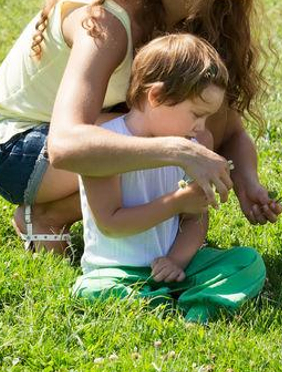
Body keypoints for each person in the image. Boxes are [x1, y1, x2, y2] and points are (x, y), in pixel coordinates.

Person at [0, 0, 282, 253]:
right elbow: (66, 144)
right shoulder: (106, 20)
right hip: (18, 150)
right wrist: (176, 149)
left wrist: (247, 179)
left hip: (68, 144)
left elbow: (225, 127)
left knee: (196, 123)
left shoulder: (196, 13)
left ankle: (130, 215)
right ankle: (48, 215)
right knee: (170, 133)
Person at [71, 34, 266, 323]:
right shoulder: (106, 145)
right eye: (196, 114)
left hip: (175, 263)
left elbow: (195, 219)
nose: (200, 127)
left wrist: (176, 260)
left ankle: (195, 305)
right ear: (156, 97)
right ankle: (161, 300)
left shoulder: (193, 146)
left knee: (247, 261)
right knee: (90, 290)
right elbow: (112, 223)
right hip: (116, 270)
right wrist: (177, 202)